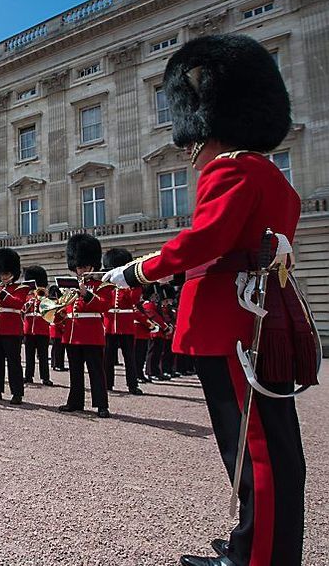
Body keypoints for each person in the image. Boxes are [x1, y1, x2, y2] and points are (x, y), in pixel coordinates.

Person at [104, 34, 316, 566]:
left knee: (257, 450)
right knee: (266, 445)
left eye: (191, 142)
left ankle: (259, 558)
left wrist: (137, 270)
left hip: (232, 326)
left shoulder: (231, 167)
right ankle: (255, 543)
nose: (190, 153)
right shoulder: (274, 177)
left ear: (206, 126)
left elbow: (205, 241)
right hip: (257, 322)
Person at [58, 234, 113, 419]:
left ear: (92, 265)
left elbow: (104, 306)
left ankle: (101, 405)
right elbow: (66, 309)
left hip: (91, 334)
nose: (81, 270)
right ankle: (75, 401)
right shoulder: (70, 287)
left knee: (96, 371)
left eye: (84, 266)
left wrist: (86, 294)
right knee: (75, 372)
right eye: (78, 266)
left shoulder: (101, 286)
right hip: (72, 334)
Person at [0, 248, 31, 405]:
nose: (3, 276)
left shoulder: (21, 289)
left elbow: (17, 303)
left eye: (6, 273)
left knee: (14, 363)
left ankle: (17, 393)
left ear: (13, 273)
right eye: (2, 273)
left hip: (11, 330)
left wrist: (1, 293)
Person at [102, 248, 143, 395]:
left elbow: (134, 300)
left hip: (125, 325)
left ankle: (132, 385)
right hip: (109, 325)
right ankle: (107, 383)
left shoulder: (130, 285)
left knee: (129, 357)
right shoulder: (107, 283)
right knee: (108, 357)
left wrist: (132, 283)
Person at [22, 265, 53, 386]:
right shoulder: (27, 296)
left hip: (42, 330)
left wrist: (43, 297)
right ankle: (28, 376)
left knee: (43, 356)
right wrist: (29, 302)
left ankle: (45, 377)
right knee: (29, 355)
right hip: (29, 330)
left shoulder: (46, 296)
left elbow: (50, 309)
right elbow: (22, 310)